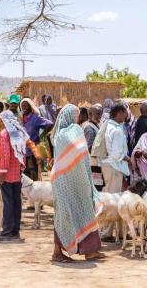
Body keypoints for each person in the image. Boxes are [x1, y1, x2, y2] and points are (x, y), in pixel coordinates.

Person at [50, 104, 106, 263]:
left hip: (64, 179)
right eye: (75, 115)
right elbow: (80, 153)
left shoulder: (58, 135)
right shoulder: (74, 131)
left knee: (68, 213)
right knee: (71, 212)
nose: (77, 118)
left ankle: (90, 250)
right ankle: (57, 253)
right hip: (70, 179)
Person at [0, 109, 42, 241]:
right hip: (17, 173)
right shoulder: (20, 132)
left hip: (6, 175)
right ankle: (15, 231)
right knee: (16, 202)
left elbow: (3, 154)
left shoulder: (5, 134)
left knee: (8, 203)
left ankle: (6, 232)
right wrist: (37, 155)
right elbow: (30, 143)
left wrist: (1, 173)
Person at [21, 98, 53, 181]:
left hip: (33, 151)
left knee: (33, 173)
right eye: (22, 106)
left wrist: (41, 135)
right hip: (22, 151)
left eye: (26, 106)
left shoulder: (35, 118)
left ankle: (35, 192)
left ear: (30, 107)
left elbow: (50, 124)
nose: (24, 108)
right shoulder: (21, 118)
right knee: (24, 174)